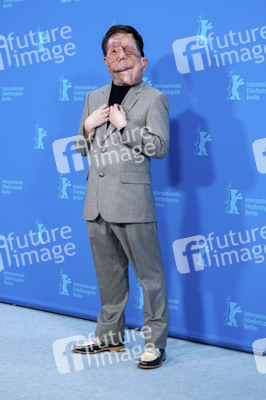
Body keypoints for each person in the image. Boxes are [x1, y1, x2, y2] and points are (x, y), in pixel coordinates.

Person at [73, 25, 169, 369]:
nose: (121, 55)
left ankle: (155, 344)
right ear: (105, 61)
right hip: (96, 202)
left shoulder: (154, 98)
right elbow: (82, 149)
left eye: (128, 50)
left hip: (132, 202)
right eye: (114, 50)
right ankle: (109, 337)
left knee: (150, 276)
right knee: (108, 275)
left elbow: (158, 147)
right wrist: (85, 129)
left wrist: (127, 127)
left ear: (142, 61)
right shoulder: (93, 98)